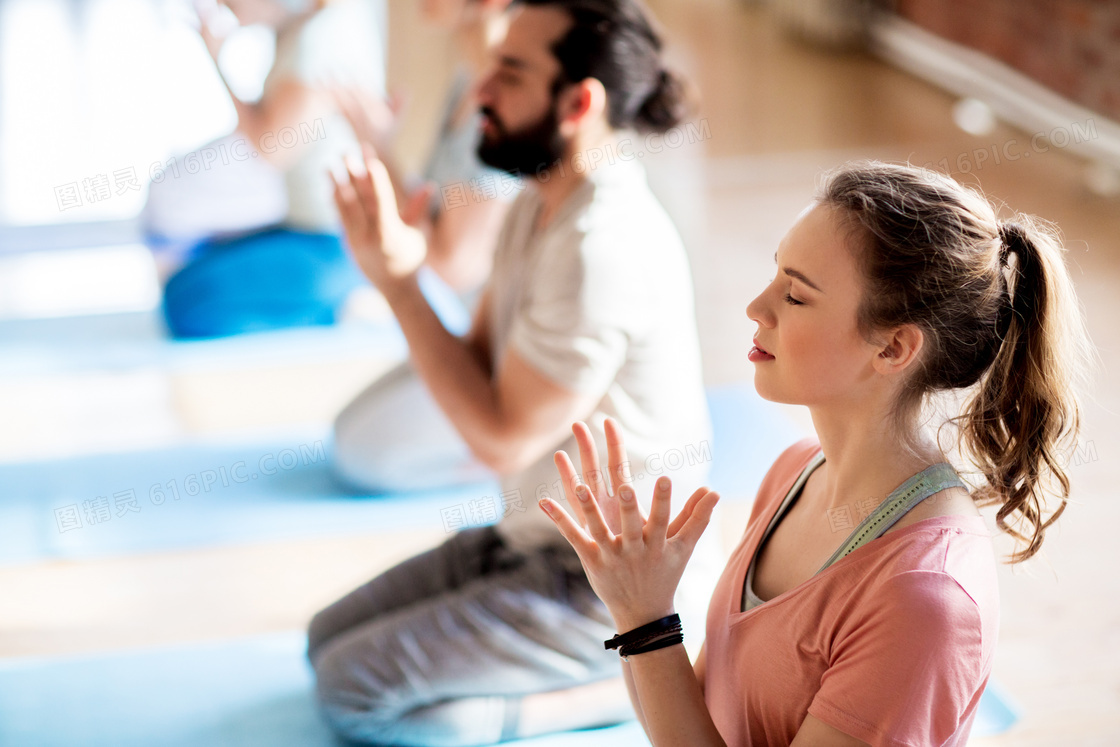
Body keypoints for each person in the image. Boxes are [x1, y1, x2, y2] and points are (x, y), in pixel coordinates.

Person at [538, 160, 1094, 746]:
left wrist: (647, 620)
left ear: (894, 348)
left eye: (796, 296)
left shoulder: (924, 597)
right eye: (775, 274)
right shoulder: (793, 471)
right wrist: (636, 610)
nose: (757, 307)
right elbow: (697, 723)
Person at [307, 0, 723, 744]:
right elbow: (474, 366)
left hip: (606, 586)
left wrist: (401, 286)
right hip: (527, 540)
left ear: (580, 102)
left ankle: (617, 683)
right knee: (322, 639)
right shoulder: (540, 203)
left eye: (510, 72)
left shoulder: (603, 242)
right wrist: (398, 270)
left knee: (353, 691)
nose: (480, 94)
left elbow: (497, 438)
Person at [149, 0, 387, 338]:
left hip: (328, 244)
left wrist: (217, 59)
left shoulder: (319, 42)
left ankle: (343, 303)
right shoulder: (312, 25)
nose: (223, 8)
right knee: (189, 276)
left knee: (184, 304)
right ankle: (337, 300)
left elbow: (270, 150)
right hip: (312, 230)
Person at [335, 0, 518, 306]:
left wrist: (379, 151)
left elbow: (452, 266)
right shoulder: (466, 79)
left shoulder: (501, 101)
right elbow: (430, 217)